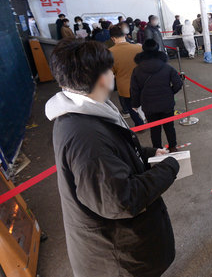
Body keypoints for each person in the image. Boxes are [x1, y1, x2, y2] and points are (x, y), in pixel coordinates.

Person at [45, 38, 179, 277]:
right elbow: (120, 199)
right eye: (110, 69)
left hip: (119, 245)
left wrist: (148, 155)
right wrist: (168, 168)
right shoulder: (85, 135)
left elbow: (115, 154)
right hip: (116, 253)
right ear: (103, 78)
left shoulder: (88, 111)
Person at [131, 40, 182, 152]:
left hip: (148, 105)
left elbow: (134, 90)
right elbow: (178, 83)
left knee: (154, 129)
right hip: (166, 104)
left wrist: (135, 104)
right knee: (169, 127)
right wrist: (170, 92)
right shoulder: (167, 67)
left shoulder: (137, 70)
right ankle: (173, 147)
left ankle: (157, 150)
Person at [108, 26, 144, 126]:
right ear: (124, 35)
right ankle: (150, 120)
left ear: (113, 38)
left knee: (131, 107)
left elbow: (110, 73)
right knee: (145, 103)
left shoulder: (109, 52)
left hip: (125, 86)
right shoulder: (138, 47)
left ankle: (139, 124)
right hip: (142, 82)